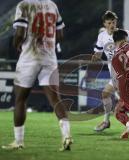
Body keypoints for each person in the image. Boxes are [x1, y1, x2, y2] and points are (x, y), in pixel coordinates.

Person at [2, 0, 72, 151]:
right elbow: (60, 34)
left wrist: (17, 45)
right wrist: (48, 44)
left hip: (29, 57)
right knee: (55, 100)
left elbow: (20, 32)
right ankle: (66, 136)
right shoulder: (52, 5)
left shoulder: (24, 5)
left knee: (20, 100)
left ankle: (18, 141)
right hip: (49, 58)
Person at [91, 10, 129, 131]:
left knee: (122, 96)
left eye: (113, 22)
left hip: (126, 71)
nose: (112, 25)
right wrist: (94, 57)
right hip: (114, 73)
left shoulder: (125, 34)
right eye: (109, 23)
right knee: (106, 94)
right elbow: (98, 53)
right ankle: (106, 122)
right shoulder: (102, 36)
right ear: (104, 24)